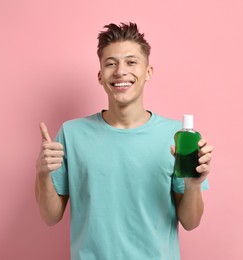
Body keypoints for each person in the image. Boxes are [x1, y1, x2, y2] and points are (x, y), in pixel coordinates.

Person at [35, 22, 214, 260]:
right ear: (100, 76)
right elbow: (50, 216)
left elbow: (190, 223)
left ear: (148, 72)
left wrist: (193, 185)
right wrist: (42, 173)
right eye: (110, 63)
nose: (120, 71)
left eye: (131, 62)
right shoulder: (71, 133)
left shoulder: (177, 136)